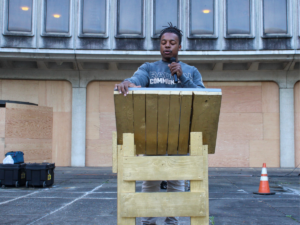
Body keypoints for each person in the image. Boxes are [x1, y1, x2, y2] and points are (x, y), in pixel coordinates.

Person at [115, 23, 205, 225]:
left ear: (179, 47)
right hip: (153, 133)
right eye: (163, 42)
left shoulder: (191, 71)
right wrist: (128, 82)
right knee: (151, 178)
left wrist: (182, 77)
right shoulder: (149, 67)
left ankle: (172, 221)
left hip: (181, 134)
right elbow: (137, 79)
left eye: (172, 43)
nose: (167, 46)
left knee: (176, 180)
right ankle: (148, 221)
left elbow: (202, 97)